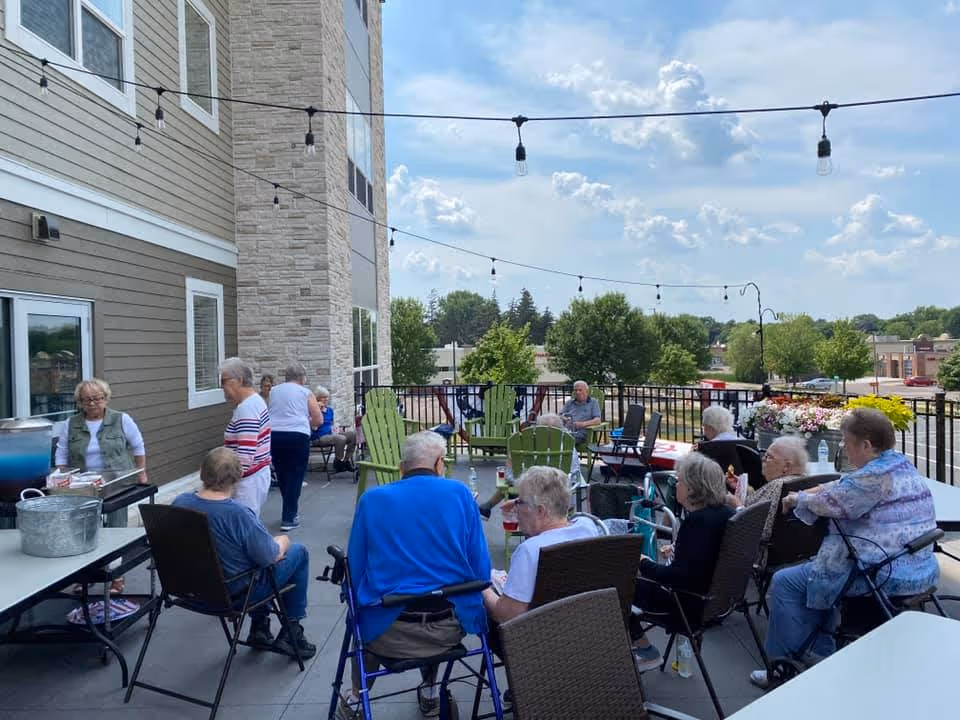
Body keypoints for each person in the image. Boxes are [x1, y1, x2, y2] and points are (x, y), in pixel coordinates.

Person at [750, 408, 939, 688]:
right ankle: (822, 652)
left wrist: (797, 499)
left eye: (846, 442)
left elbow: (830, 502)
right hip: (919, 568)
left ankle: (783, 669)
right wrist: (809, 491)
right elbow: (842, 485)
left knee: (787, 581)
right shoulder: (897, 464)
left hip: (880, 575)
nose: (843, 447)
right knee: (816, 572)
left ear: (866, 445)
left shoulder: (870, 479)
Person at [341, 431, 489, 719]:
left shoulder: (372, 500)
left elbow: (355, 569)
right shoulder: (460, 494)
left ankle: (358, 697)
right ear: (439, 464)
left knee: (365, 613)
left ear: (401, 468)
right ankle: (431, 689)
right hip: (448, 627)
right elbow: (479, 566)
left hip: (388, 632)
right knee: (435, 594)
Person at [173, 447, 316, 658]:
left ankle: (260, 627)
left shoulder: (180, 503)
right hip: (232, 595)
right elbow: (270, 557)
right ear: (237, 477)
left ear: (202, 471)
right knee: (297, 552)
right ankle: (290, 631)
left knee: (248, 558)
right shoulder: (237, 514)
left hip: (189, 591)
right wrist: (282, 541)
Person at [630, 452, 735, 672]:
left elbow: (678, 578)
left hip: (686, 605)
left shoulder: (697, 521)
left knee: (617, 587)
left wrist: (642, 562)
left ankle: (645, 650)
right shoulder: (726, 512)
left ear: (693, 488)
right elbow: (701, 559)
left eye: (680, 481)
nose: (676, 485)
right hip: (716, 600)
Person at [56, 377, 147, 594]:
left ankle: (116, 577)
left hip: (117, 481)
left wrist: (142, 472)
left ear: (106, 398)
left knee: (115, 527)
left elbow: (138, 446)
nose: (93, 404)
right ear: (79, 402)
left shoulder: (121, 419)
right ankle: (85, 575)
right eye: (86, 400)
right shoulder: (71, 424)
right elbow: (61, 451)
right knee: (85, 529)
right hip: (83, 484)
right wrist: (61, 476)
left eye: (97, 398)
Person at [482, 466, 601, 625]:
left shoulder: (530, 551)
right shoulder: (588, 527)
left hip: (540, 638)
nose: (516, 509)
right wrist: (521, 503)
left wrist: (481, 589)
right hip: (584, 626)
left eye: (520, 502)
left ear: (540, 511)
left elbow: (507, 616)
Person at [476, 413, 578, 519]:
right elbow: (575, 475)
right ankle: (487, 506)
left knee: (511, 482)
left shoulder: (526, 446)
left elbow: (513, 478)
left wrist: (509, 467)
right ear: (561, 430)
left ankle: (487, 506)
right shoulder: (568, 445)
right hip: (562, 496)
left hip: (531, 495)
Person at [268, 363, 322, 531]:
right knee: (296, 475)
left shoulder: (274, 391)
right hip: (297, 436)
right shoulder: (306, 393)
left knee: (283, 473)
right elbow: (318, 419)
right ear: (302, 378)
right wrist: (310, 424)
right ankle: (289, 517)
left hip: (275, 435)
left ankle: (290, 511)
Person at [219, 357, 272, 516]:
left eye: (224, 382)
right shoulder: (256, 401)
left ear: (239, 380)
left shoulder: (246, 409)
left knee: (243, 526)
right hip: (257, 476)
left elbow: (245, 455)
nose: (222, 388)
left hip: (247, 484)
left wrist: (224, 484)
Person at [311, 386, 357, 473]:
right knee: (340, 438)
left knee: (353, 434)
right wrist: (318, 411)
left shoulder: (330, 410)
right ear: (317, 399)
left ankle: (345, 461)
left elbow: (331, 425)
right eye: (323, 397)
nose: (326, 399)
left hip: (331, 435)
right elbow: (314, 428)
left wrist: (337, 429)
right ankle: (338, 462)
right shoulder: (314, 410)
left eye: (327, 397)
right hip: (319, 437)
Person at [559, 380, 601, 444]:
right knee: (551, 436)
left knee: (563, 440)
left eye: (580, 390)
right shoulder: (569, 402)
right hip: (566, 430)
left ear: (586, 391)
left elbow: (597, 420)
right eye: (575, 390)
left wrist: (582, 424)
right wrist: (564, 418)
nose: (577, 392)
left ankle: (566, 453)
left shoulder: (593, 402)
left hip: (581, 432)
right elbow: (560, 415)